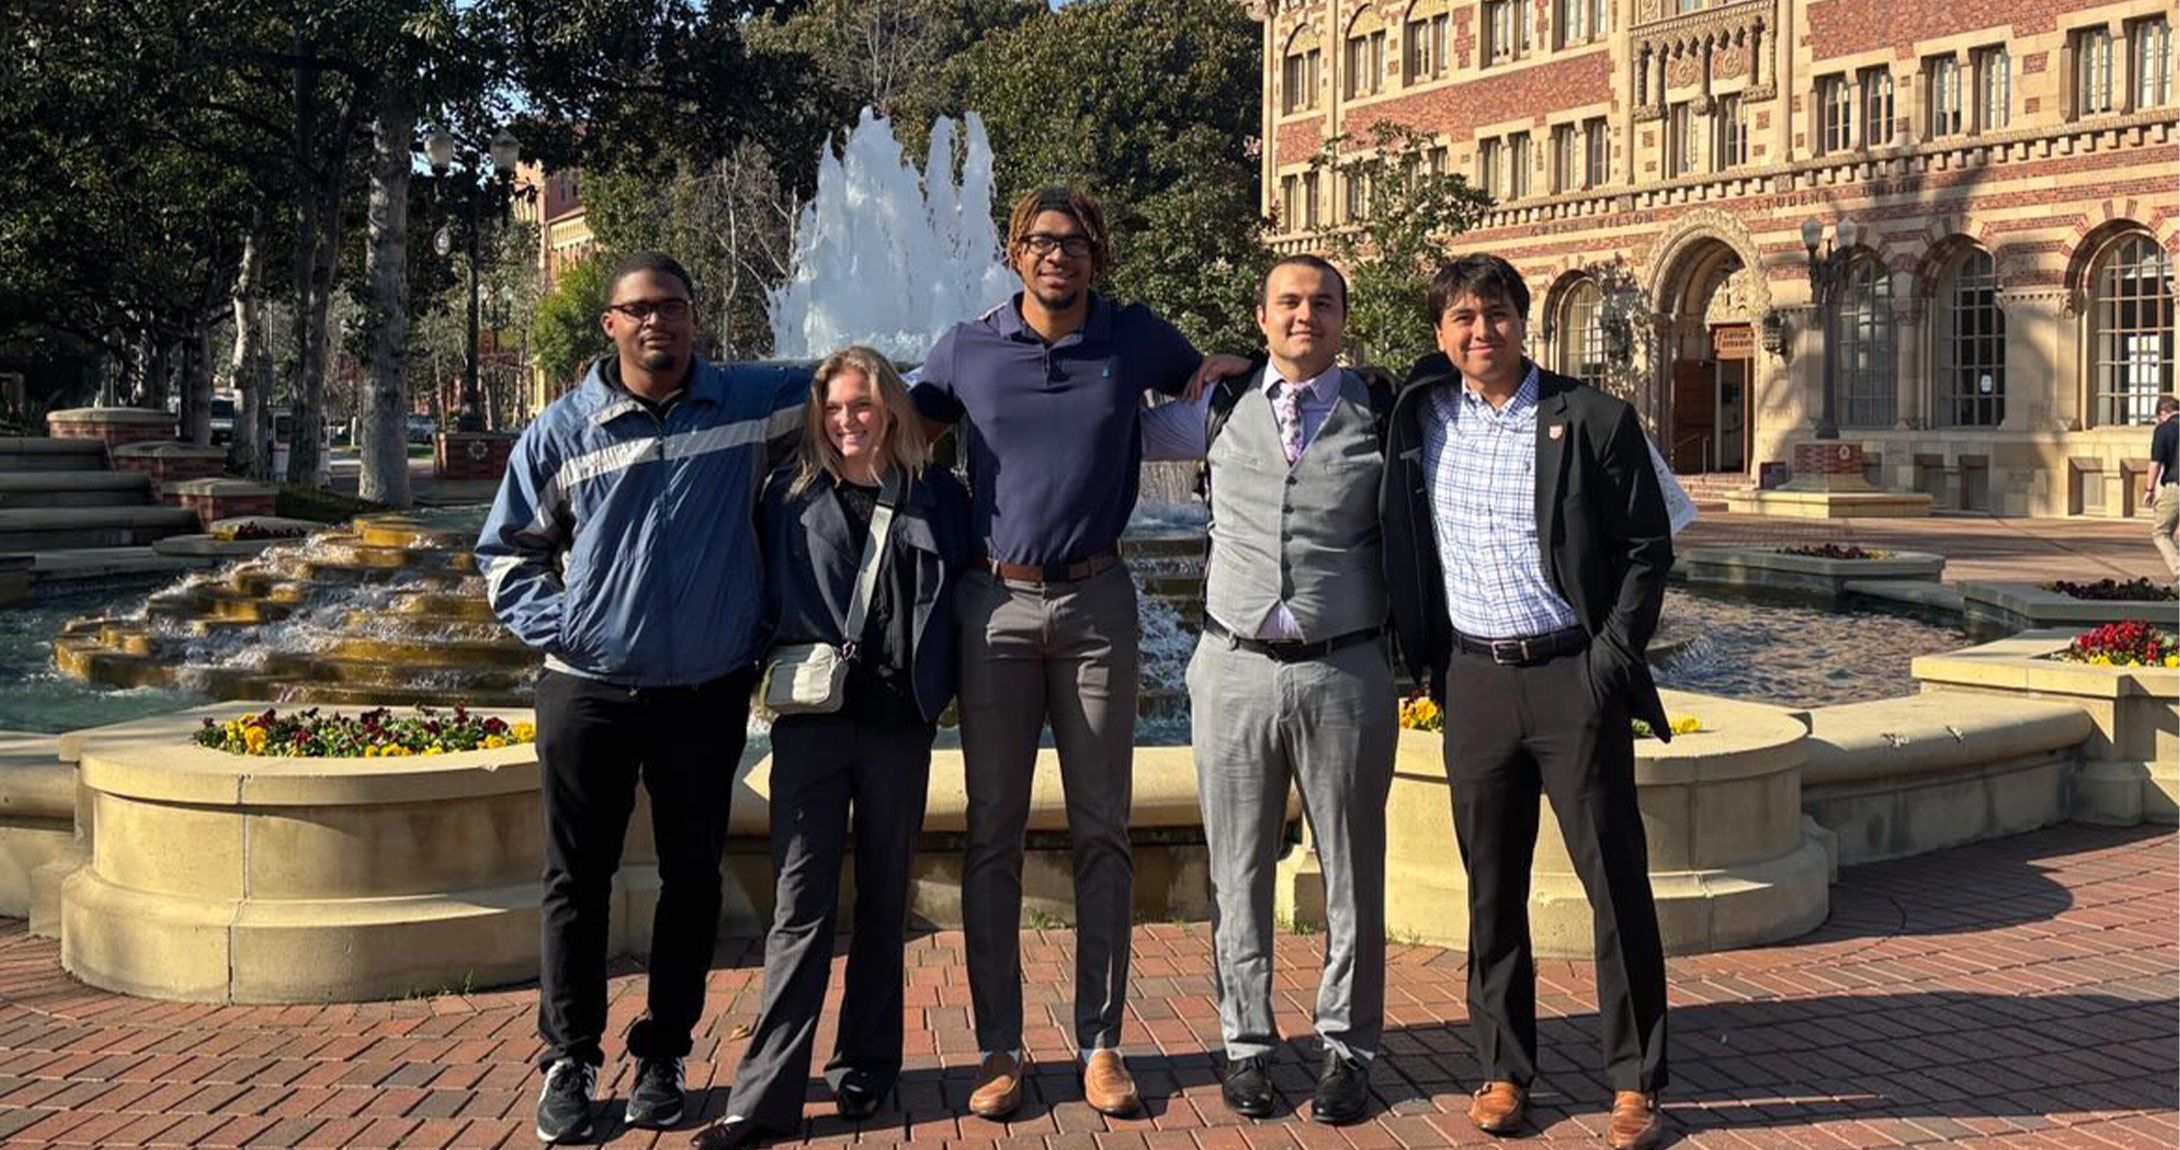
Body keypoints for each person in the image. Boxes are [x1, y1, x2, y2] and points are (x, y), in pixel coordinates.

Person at [910, 186, 1247, 1119]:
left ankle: (1102, 1042)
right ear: (1015, 253)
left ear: (1097, 257)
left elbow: (1204, 382)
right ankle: (1001, 1046)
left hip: (1100, 604)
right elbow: (901, 435)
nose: (1056, 255)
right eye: (1039, 241)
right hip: (995, 607)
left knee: (1103, 829)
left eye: (1074, 243)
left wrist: (1229, 368)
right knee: (993, 835)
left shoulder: (1132, 336)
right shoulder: (966, 347)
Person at [476, 252, 808, 1145]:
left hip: (705, 692)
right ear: (610, 325)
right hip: (588, 693)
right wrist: (573, 627)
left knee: (691, 878)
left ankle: (665, 1052)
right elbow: (506, 555)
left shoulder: (746, 403)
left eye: (673, 306)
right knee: (574, 880)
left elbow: (859, 385)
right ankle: (570, 1059)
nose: (657, 322)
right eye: (639, 309)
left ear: (695, 318)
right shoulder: (563, 431)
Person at [1380, 255, 1673, 1150]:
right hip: (1471, 681)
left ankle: (1635, 1080)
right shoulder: (1421, 419)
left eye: (1498, 314)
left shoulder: (1590, 417)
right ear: (1442, 333)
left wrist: (1609, 663)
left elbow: (1647, 548)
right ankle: (1504, 1070)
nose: (1482, 332)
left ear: (1524, 320)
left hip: (1568, 678)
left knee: (1614, 886)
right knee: (1491, 890)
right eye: (1464, 317)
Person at [690, 347, 970, 1150]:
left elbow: (965, 595)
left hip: (901, 725)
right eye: (836, 408)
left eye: (864, 405)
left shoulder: (936, 497)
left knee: (886, 902)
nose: (849, 421)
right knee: (799, 908)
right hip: (811, 725)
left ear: (891, 409)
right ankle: (764, 1098)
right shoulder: (788, 493)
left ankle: (867, 1070)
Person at [1139, 255, 1394, 1125]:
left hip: (1345, 666)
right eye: (1288, 301)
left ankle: (1348, 1048)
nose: (1305, 316)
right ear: (1260, 318)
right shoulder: (1211, 409)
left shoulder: (1385, 411)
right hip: (1234, 665)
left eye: (1322, 303)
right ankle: (1246, 1044)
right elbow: (1089, 427)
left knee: (1355, 869)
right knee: (1235, 869)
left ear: (1343, 319)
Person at [2146, 395, 2179, 578]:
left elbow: (2155, 463)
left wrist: (2149, 489)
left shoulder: (2164, 429)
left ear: (2163, 413)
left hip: (2176, 486)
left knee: (2161, 532)